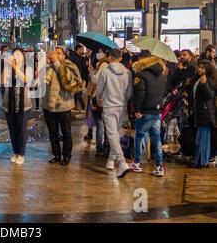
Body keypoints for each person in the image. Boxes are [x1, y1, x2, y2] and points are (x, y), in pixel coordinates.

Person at [96, 48, 133, 178]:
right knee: (115, 134)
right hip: (121, 107)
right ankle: (110, 161)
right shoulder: (127, 72)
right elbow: (129, 92)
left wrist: (98, 99)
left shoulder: (105, 72)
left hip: (108, 106)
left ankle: (122, 163)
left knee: (112, 135)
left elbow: (99, 89)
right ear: (121, 58)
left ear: (110, 58)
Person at [130, 51, 167, 177]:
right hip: (157, 111)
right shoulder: (162, 74)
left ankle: (137, 163)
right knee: (156, 139)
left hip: (144, 112)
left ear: (141, 59)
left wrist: (137, 110)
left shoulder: (141, 75)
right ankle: (159, 166)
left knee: (139, 136)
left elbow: (140, 93)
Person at [43, 47, 77, 166]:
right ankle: (56, 154)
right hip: (49, 105)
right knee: (53, 132)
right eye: (54, 53)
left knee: (66, 132)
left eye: (58, 53)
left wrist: (56, 63)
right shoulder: (48, 67)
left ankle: (66, 155)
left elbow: (66, 79)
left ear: (64, 56)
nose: (55, 55)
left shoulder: (68, 66)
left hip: (64, 105)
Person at [2, 48, 33, 165]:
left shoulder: (27, 68)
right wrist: (6, 66)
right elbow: (3, 81)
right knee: (12, 129)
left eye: (19, 53)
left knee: (21, 129)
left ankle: (21, 153)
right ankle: (15, 152)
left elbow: (26, 80)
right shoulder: (9, 68)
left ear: (23, 56)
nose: (16, 55)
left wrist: (15, 67)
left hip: (23, 104)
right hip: (9, 103)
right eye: (14, 53)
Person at [188, 60, 217, 168]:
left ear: (207, 70)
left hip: (206, 114)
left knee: (203, 138)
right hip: (200, 113)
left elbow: (209, 95)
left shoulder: (207, 79)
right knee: (200, 138)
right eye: (199, 67)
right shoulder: (198, 79)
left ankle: (202, 162)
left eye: (202, 68)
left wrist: (204, 84)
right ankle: (198, 160)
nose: (199, 69)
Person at [68, 45, 87, 114]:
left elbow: (83, 67)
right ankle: (83, 106)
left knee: (77, 93)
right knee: (78, 93)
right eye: (82, 49)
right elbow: (69, 66)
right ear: (78, 49)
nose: (83, 51)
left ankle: (75, 106)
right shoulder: (72, 56)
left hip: (81, 78)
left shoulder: (81, 57)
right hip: (75, 78)